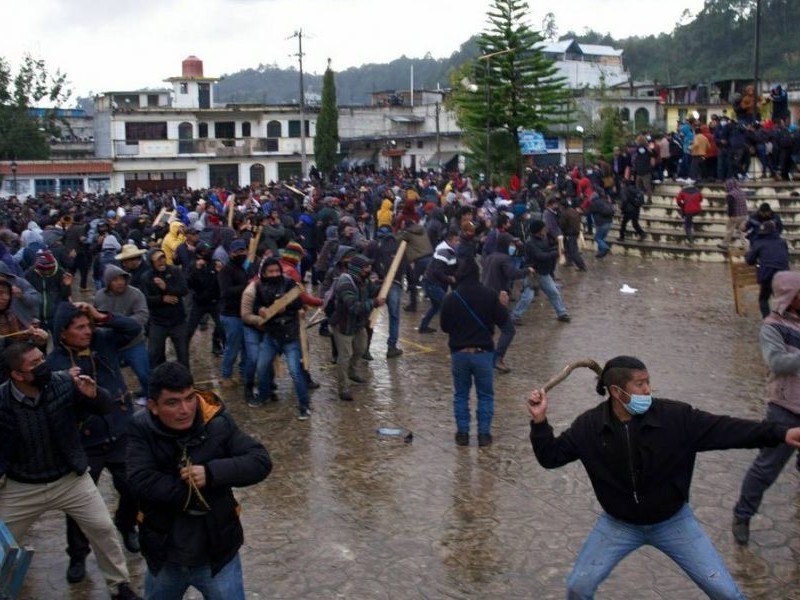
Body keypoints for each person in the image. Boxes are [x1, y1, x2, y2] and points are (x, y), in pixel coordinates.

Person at [527, 355, 800, 599]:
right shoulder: (589, 426)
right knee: (578, 587)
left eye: (648, 382)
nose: (648, 390)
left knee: (726, 592)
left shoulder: (676, 417)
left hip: (673, 522)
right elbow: (551, 457)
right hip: (618, 524)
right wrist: (539, 422)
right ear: (616, 392)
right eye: (640, 384)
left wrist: (781, 434)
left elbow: (727, 429)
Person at [0, 342, 142, 600]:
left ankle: (119, 585)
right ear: (17, 375)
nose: (43, 366)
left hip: (69, 479)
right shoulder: (2, 401)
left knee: (103, 529)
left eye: (42, 358)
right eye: (34, 364)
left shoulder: (62, 383)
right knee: (2, 544)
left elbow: (105, 407)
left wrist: (93, 394)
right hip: (22, 486)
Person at [126, 361, 272, 599]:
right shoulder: (140, 428)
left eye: (189, 398)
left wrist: (212, 474)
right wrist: (192, 492)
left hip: (217, 553)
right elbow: (140, 479)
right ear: (153, 406)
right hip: (165, 555)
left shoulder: (217, 422)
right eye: (172, 402)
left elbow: (259, 461)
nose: (184, 410)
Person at [47, 301, 143, 584]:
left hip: (119, 432)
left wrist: (102, 316)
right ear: (63, 333)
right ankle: (78, 555)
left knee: (132, 487)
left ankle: (127, 526)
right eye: (79, 327)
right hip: (85, 443)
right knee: (79, 505)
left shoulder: (104, 340)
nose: (87, 331)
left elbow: (135, 328)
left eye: (88, 325)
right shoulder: (55, 364)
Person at [733, 271, 800, 544]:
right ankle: (742, 514)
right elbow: (777, 363)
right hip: (784, 409)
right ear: (790, 297)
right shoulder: (772, 326)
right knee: (767, 467)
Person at [440, 258, 509, 447]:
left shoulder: (451, 298)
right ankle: (484, 435)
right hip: (483, 354)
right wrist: (503, 304)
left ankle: (462, 434)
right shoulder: (490, 295)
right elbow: (505, 323)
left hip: (459, 354)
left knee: (461, 395)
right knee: (485, 395)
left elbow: (444, 327)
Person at [241, 257, 310, 416]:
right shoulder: (259, 287)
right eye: (270, 271)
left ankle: (304, 405)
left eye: (276, 271)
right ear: (264, 273)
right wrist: (261, 310)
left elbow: (299, 303)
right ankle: (263, 395)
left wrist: (286, 306)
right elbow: (256, 305)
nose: (274, 274)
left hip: (289, 335)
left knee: (295, 371)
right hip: (270, 335)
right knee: (262, 367)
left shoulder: (289, 283)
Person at [329, 254, 384, 402]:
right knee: (345, 355)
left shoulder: (364, 281)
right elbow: (354, 307)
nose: (369, 269)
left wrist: (384, 285)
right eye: (366, 267)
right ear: (358, 269)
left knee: (361, 348)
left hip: (358, 324)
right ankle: (343, 387)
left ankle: (352, 372)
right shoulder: (345, 284)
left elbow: (373, 291)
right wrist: (374, 303)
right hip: (343, 325)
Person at [94, 265, 151, 402]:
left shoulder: (136, 294)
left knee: (144, 374)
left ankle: (151, 398)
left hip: (134, 342)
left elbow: (142, 316)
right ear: (108, 282)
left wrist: (120, 323)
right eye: (115, 280)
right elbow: (96, 317)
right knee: (109, 375)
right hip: (111, 344)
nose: (120, 282)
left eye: (122, 279)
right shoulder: (99, 296)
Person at [143, 249, 190, 368]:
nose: (161, 261)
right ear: (151, 262)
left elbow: (184, 290)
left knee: (183, 355)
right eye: (157, 259)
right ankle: (158, 383)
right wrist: (162, 299)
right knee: (154, 355)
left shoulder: (174, 271)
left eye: (163, 257)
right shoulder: (146, 277)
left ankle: (186, 383)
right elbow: (145, 300)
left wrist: (166, 287)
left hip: (178, 321)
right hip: (158, 323)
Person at [217, 240, 251, 388]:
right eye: (237, 251)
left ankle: (244, 374)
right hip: (231, 315)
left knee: (246, 346)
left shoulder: (243, 268)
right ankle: (226, 376)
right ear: (231, 253)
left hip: (243, 313)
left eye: (243, 251)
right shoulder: (226, 270)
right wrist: (246, 287)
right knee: (232, 347)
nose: (240, 254)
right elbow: (226, 292)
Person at [525, 220, 571, 322]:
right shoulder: (530, 243)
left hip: (543, 272)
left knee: (554, 293)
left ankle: (561, 313)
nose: (545, 229)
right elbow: (540, 256)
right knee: (527, 297)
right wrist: (557, 253)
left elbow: (547, 249)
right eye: (543, 228)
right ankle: (516, 316)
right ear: (538, 230)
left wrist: (558, 248)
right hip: (534, 273)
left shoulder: (543, 239)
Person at [745, 220, 790, 318]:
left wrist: (747, 253)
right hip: (784, 273)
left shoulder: (759, 243)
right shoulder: (782, 242)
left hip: (767, 273)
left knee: (763, 298)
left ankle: (768, 321)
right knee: (780, 298)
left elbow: (749, 261)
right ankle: (785, 319)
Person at [418, 230, 458, 334]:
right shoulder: (444, 252)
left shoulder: (448, 251)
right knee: (447, 304)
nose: (457, 243)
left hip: (432, 282)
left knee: (436, 306)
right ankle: (454, 328)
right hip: (431, 283)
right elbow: (437, 271)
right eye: (456, 240)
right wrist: (449, 279)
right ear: (449, 241)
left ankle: (423, 326)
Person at [718, 178, 750, 250]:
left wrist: (730, 215)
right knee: (743, 231)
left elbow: (731, 206)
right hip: (744, 214)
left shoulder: (730, 195)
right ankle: (746, 245)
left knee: (729, 229)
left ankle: (725, 244)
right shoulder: (741, 191)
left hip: (735, 215)